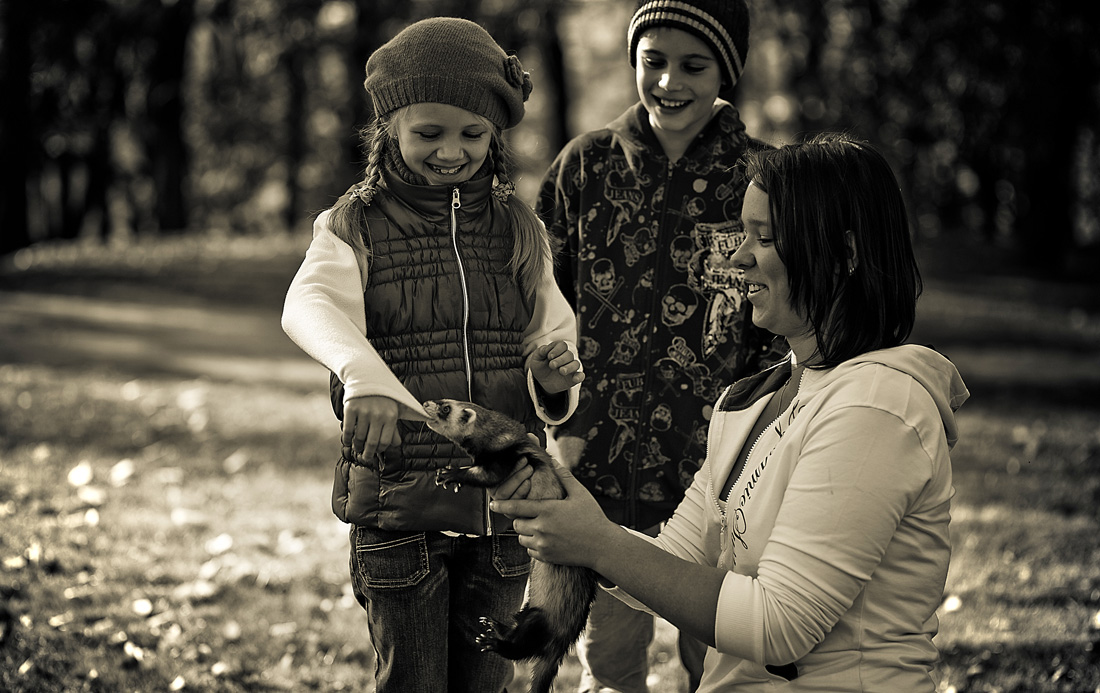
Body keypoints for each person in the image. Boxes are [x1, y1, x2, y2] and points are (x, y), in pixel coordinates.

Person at [494, 133, 970, 692]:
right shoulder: (753, 399)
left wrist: (598, 542)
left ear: (843, 255)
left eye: (763, 237)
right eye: (742, 233)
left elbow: (780, 626)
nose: (737, 256)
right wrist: (572, 520)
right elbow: (674, 559)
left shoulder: (878, 408)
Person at [280, 17, 584, 693]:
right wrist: (363, 377)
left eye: (473, 134)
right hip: (400, 511)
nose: (453, 151)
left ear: (495, 136)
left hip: (502, 516)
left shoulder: (517, 229)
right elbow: (308, 307)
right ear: (389, 127)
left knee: (484, 683)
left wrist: (551, 379)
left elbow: (549, 337)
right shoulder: (352, 225)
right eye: (430, 133)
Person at [534, 0, 784, 689]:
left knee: (714, 656)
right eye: (654, 61)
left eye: (693, 65)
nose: (670, 81)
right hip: (598, 462)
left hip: (721, 466)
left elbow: (788, 317)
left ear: (726, 70)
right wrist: (555, 405)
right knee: (610, 660)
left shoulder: (764, 178)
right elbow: (537, 306)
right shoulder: (584, 168)